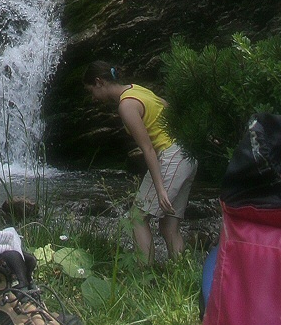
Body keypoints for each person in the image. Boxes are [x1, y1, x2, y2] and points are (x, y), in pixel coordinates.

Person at [83, 60, 197, 263]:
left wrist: (161, 189)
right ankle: (183, 275)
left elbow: (148, 149)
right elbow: (168, 107)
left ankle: (146, 277)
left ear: (99, 82)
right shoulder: (137, 89)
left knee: (136, 218)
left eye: (91, 91)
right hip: (187, 154)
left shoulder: (126, 106)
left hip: (171, 156)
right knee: (168, 226)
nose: (93, 98)